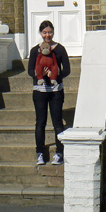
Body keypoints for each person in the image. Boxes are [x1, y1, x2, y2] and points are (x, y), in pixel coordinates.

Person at [27, 20, 70, 166]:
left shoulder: (60, 49)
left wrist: (54, 76)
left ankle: (59, 153)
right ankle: (40, 153)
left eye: (50, 32)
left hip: (56, 90)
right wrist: (41, 75)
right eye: (44, 32)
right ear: (40, 33)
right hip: (40, 91)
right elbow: (30, 70)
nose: (47, 35)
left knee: (58, 123)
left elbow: (67, 70)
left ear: (53, 32)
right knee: (40, 123)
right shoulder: (35, 50)